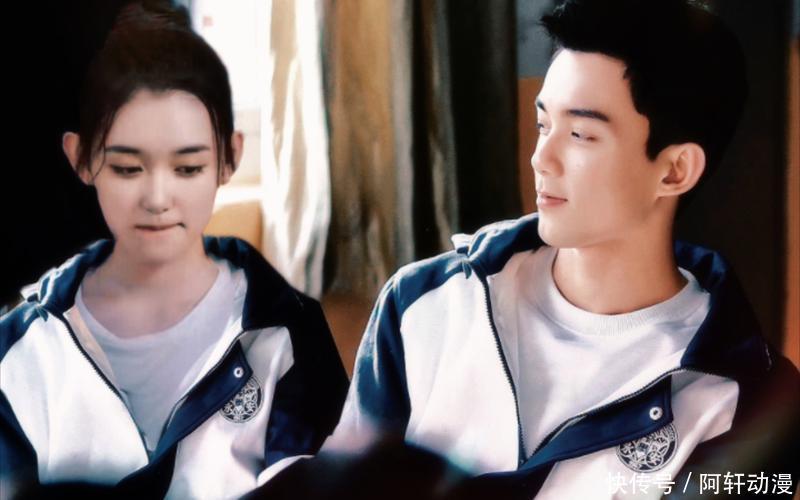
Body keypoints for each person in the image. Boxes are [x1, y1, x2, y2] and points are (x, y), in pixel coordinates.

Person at [323, 0, 800, 497]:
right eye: (543, 125)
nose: (541, 158)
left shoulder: (746, 397)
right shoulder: (423, 304)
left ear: (674, 170)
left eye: (580, 134)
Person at [0, 2, 348, 498]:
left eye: (187, 168)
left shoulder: (286, 331)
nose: (158, 199)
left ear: (229, 157)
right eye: (127, 168)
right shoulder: (19, 352)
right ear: (82, 158)